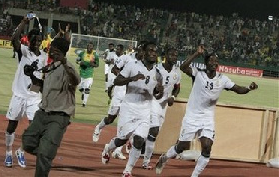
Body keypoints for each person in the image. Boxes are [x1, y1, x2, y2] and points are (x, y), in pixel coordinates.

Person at [155, 45, 258, 177]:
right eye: (210, 60)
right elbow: (183, 67)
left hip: (207, 118)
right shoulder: (198, 73)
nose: (213, 63)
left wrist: (249, 88)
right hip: (192, 116)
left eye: (216, 61)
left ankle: (195, 175)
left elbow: (238, 89)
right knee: (182, 146)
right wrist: (196, 54)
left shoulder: (222, 79)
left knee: (207, 146)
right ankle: (164, 158)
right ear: (206, 63)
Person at [101, 42, 164, 177]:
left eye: (155, 51)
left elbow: (158, 94)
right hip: (129, 108)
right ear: (144, 53)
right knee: (122, 139)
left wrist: (160, 91)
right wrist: (132, 79)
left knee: (139, 140)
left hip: (145, 110)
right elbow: (117, 81)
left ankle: (127, 170)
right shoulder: (132, 65)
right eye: (151, 50)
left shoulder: (157, 73)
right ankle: (108, 148)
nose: (154, 53)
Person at [22, 32, 80, 177]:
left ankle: (46, 154)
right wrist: (31, 76)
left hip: (58, 116)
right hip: (43, 113)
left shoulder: (67, 68)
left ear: (57, 50)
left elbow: (76, 81)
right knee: (27, 142)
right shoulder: (49, 67)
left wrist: (65, 62)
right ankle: (47, 153)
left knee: (43, 153)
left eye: (52, 47)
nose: (49, 49)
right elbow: (42, 88)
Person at [4, 16, 47, 168]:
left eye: (39, 40)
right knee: (12, 126)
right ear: (28, 40)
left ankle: (20, 151)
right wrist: (23, 23)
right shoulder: (23, 51)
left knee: (35, 128)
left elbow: (42, 75)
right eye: (34, 40)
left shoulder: (43, 56)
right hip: (19, 94)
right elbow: (14, 39)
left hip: (33, 96)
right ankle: (8, 153)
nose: (37, 42)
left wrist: (36, 91)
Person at [92, 44, 134, 160]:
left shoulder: (144, 65)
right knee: (110, 119)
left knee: (124, 124)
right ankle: (98, 128)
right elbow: (113, 69)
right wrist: (122, 78)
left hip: (129, 97)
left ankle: (117, 150)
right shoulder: (126, 59)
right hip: (119, 93)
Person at [142, 47, 181, 169]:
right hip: (153, 101)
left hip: (164, 105)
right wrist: (155, 90)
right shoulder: (157, 69)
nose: (174, 57)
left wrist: (173, 97)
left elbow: (177, 87)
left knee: (152, 132)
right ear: (165, 56)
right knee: (154, 131)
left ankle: (135, 140)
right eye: (171, 55)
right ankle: (146, 162)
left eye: (176, 55)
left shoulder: (177, 72)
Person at [76, 42, 99, 107]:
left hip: (89, 75)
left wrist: (93, 65)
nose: (89, 48)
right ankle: (82, 92)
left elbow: (97, 65)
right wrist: (80, 63)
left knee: (87, 89)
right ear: (87, 47)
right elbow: (77, 60)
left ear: (93, 48)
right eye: (88, 47)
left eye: (91, 47)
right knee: (80, 88)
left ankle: (84, 103)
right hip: (81, 74)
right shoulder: (82, 53)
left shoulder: (94, 55)